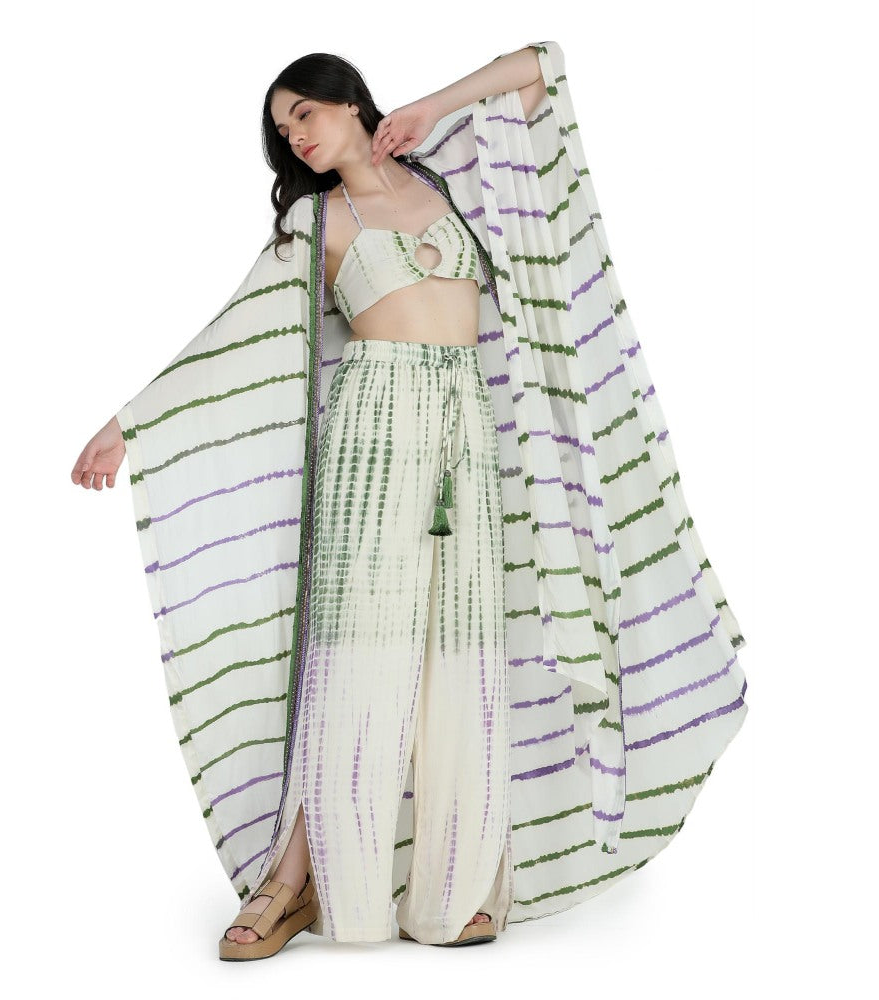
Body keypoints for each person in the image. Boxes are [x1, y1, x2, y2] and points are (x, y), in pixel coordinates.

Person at [71, 41, 749, 963]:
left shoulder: (450, 171)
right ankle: (292, 880)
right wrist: (130, 423)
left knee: (462, 644)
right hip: (373, 429)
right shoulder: (313, 221)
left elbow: (538, 66)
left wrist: (430, 104)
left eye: (303, 113)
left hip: (464, 428)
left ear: (349, 101)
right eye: (281, 129)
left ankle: (459, 884)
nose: (294, 136)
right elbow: (233, 334)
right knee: (358, 647)